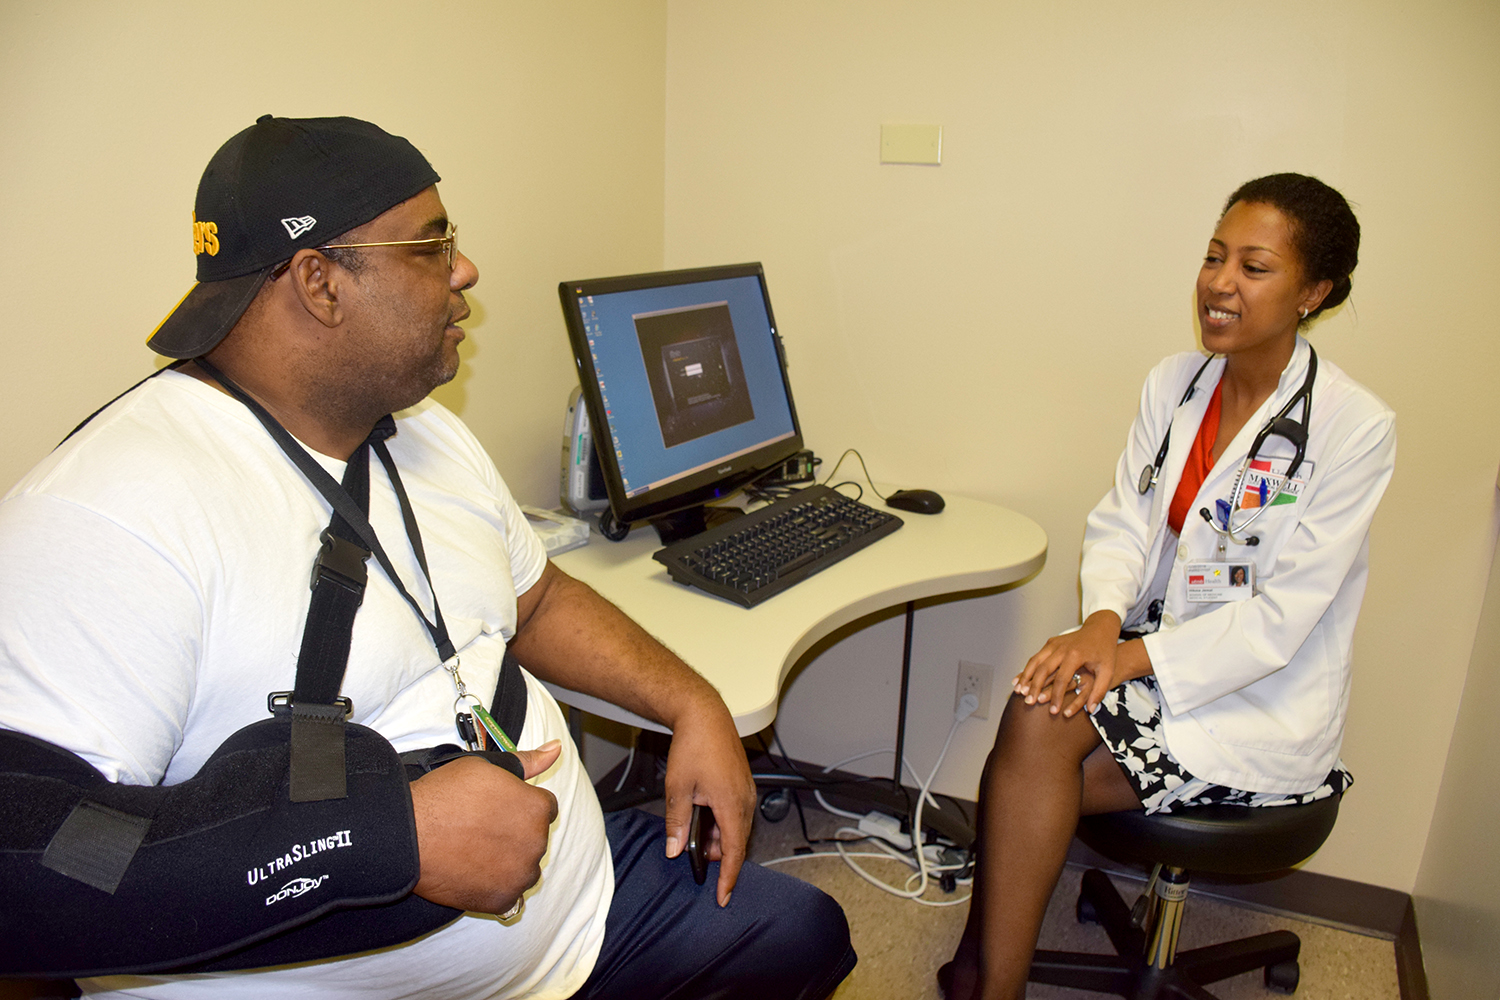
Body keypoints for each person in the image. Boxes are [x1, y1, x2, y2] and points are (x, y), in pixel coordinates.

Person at [0, 116, 854, 999]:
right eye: (432, 244)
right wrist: (385, 841)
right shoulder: (111, 512)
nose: (466, 269)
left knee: (804, 933)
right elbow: (33, 861)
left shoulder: (427, 430)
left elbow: (537, 601)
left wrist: (691, 702)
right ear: (320, 282)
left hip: (586, 912)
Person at [939, 174, 1395, 1000]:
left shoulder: (1353, 428)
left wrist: (1125, 656)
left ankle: (984, 976)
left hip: (1259, 701)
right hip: (1151, 659)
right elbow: (1124, 519)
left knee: (1030, 751)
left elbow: (1282, 619)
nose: (1220, 282)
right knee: (1039, 713)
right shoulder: (1176, 383)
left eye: (1254, 267)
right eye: (1215, 256)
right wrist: (1100, 626)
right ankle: (987, 979)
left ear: (1313, 292)